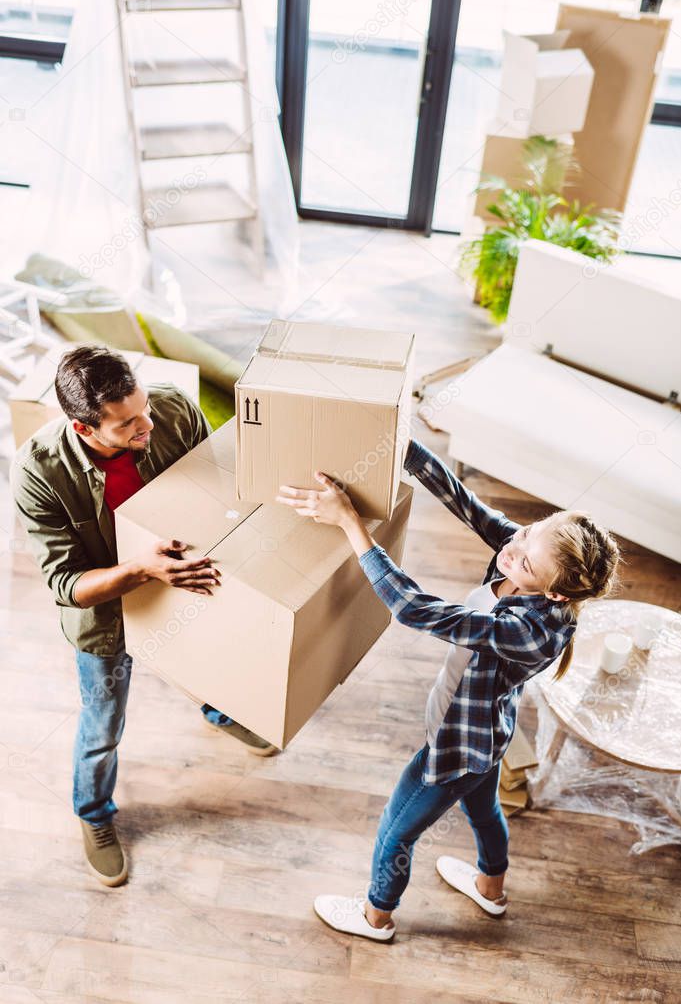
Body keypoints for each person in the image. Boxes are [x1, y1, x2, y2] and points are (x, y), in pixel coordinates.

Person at [276, 436, 620, 941]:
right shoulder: (525, 561)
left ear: (555, 592)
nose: (512, 548)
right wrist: (401, 442)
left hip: (456, 748)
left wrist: (350, 521)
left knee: (396, 830)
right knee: (485, 812)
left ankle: (377, 917)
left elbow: (416, 610)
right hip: (488, 738)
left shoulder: (531, 630)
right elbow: (465, 502)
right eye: (525, 533)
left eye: (526, 558)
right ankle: (491, 890)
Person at [11, 346, 277, 889]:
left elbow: (217, 488)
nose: (147, 425)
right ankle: (94, 815)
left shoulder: (172, 410)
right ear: (85, 429)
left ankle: (220, 712)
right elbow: (67, 586)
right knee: (103, 725)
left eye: (144, 406)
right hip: (105, 610)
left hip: (178, 574)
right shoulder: (37, 471)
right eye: (127, 423)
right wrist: (139, 569)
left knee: (203, 658)